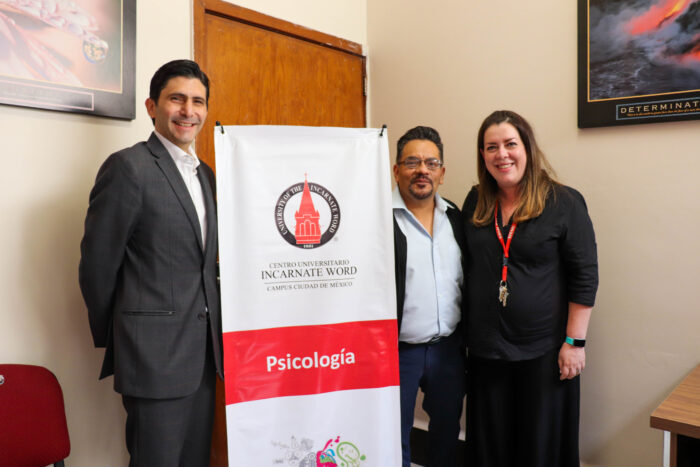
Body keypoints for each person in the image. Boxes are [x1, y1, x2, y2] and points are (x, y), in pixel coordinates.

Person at [79, 59, 222, 467]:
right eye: (177, 99)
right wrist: (126, 336)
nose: (188, 111)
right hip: (153, 358)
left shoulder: (206, 175)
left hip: (204, 357)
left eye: (198, 101)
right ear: (152, 106)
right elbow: (97, 267)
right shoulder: (129, 167)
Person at [462, 110, 598, 467]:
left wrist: (575, 343)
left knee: (538, 447)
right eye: (491, 147)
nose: (502, 154)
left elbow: (585, 276)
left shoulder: (564, 202)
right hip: (486, 351)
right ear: (482, 155)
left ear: (528, 148)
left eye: (510, 144)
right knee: (490, 447)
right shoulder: (475, 201)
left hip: (544, 353)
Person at [393, 126, 466, 467]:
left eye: (431, 163)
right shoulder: (376, 219)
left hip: (448, 350)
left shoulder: (456, 217)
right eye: (412, 162)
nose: (422, 170)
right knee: (394, 434)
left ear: (442, 172)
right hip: (398, 353)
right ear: (397, 170)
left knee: (446, 432)